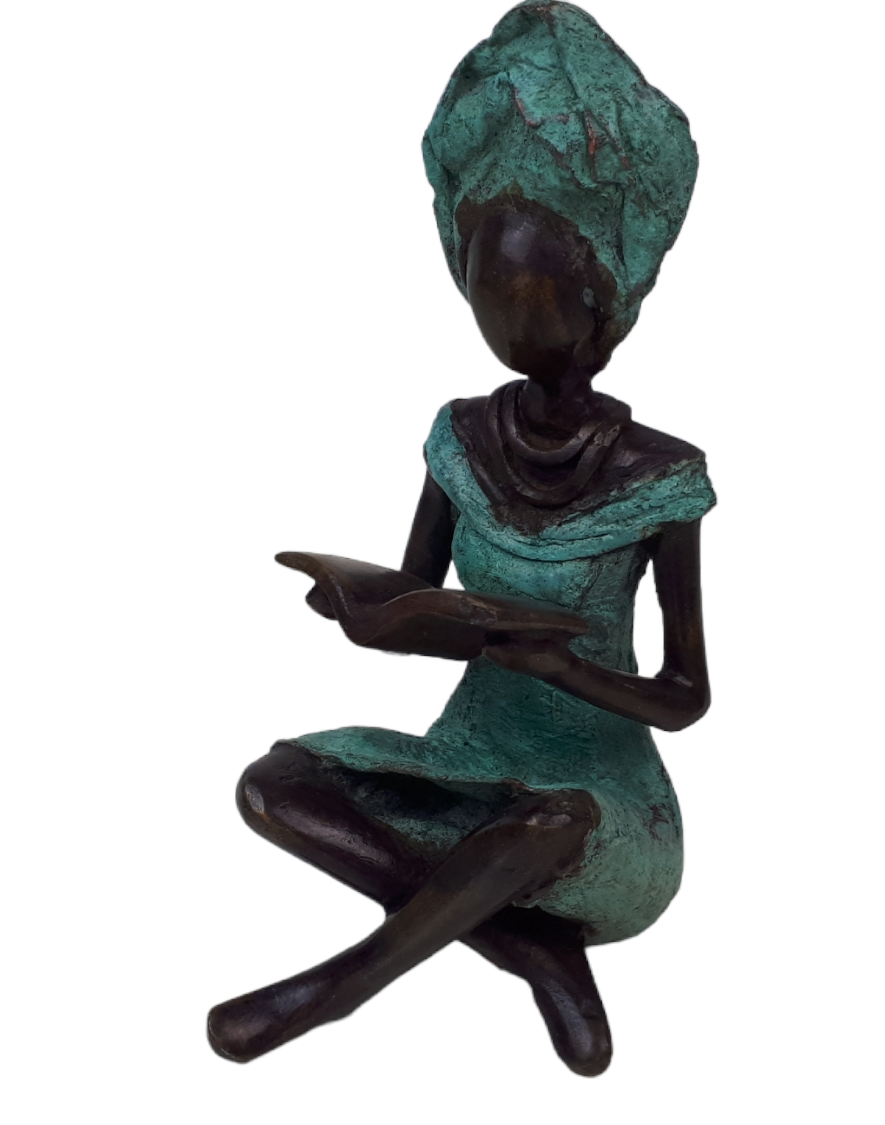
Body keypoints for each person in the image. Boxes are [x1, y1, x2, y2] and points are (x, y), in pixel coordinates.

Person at [208, 3, 709, 1076]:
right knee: (272, 785)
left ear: (604, 295)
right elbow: (423, 598)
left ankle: (333, 990)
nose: (514, 315)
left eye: (544, 292)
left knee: (539, 830)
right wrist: (370, 610)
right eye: (489, 287)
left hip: (597, 803)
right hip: (471, 761)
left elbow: (684, 696)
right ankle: (528, 948)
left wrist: (558, 665)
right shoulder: (457, 438)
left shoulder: (660, 477)